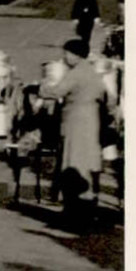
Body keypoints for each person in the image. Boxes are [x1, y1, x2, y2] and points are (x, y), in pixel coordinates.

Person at [39, 38, 107, 220]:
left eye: (67, 53)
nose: (65, 57)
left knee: (73, 158)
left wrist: (43, 86)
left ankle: (75, 206)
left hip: (76, 118)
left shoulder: (76, 73)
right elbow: (104, 94)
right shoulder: (91, 71)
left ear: (76, 55)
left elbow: (57, 91)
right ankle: (88, 199)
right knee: (86, 158)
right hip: (91, 117)